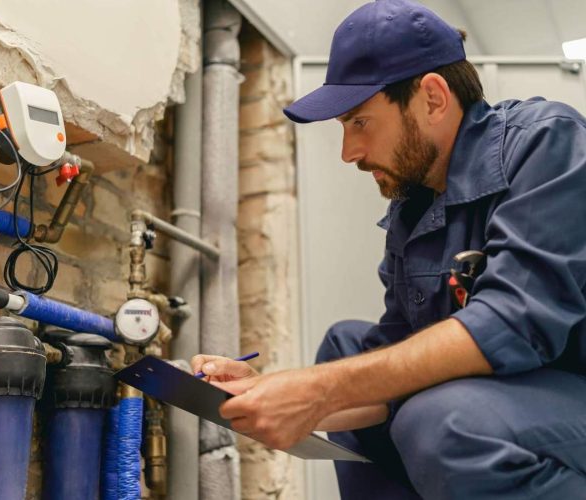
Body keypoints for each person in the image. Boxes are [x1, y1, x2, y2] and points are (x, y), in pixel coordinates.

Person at [192, 0, 586, 498]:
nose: (348, 153)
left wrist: (317, 389)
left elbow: (512, 325)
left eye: (359, 122)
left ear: (434, 98)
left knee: (443, 421)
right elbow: (392, 365)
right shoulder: (412, 207)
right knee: (346, 348)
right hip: (512, 402)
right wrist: (268, 393)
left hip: (570, 393)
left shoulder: (547, 143)